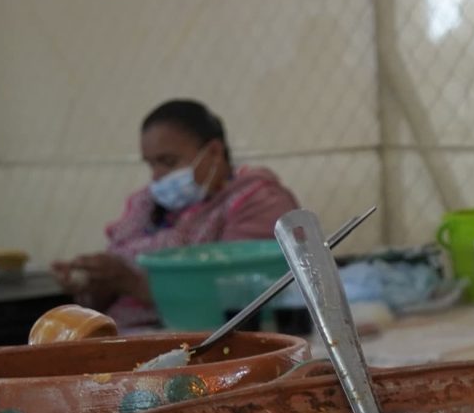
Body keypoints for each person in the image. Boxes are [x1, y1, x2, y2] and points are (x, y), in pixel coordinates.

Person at [53, 100, 301, 328]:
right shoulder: (146, 204)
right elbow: (112, 277)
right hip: (121, 333)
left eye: (168, 162)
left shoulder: (257, 200)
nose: (157, 175)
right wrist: (93, 280)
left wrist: (131, 282)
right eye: (151, 164)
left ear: (214, 152)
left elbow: (240, 295)